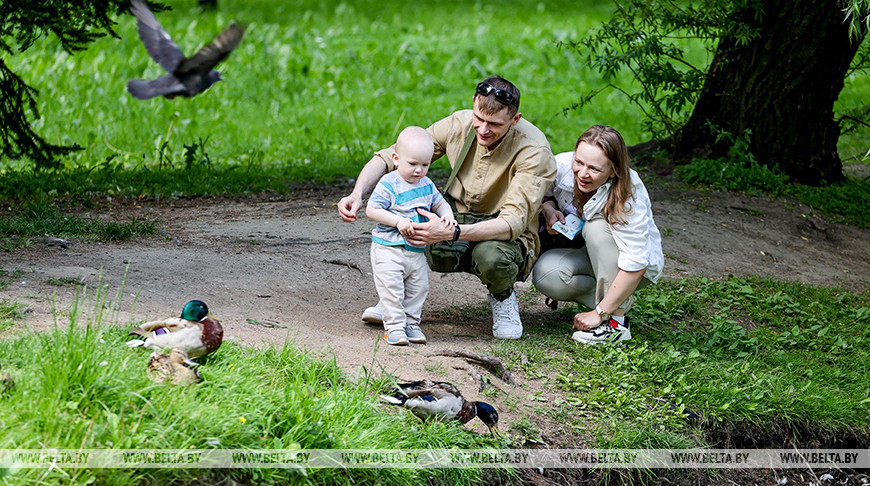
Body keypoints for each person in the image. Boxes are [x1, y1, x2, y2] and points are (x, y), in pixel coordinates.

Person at [338, 75, 556, 339]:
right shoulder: (459, 124)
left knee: (492, 259)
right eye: (479, 118)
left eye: (494, 124)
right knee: (408, 217)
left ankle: (503, 296)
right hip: (455, 213)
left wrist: (450, 233)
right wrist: (358, 193)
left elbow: (512, 223)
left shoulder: (534, 150)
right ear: (474, 104)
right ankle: (394, 300)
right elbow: (392, 155)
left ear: (515, 119)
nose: (483, 129)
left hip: (504, 231)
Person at [531, 125, 664, 344]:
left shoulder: (630, 193)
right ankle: (615, 300)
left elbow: (637, 261)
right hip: (588, 253)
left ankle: (615, 323)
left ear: (613, 171)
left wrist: (599, 313)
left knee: (595, 227)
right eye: (579, 162)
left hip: (631, 266)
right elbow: (545, 194)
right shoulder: (560, 166)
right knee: (547, 274)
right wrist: (548, 209)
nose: (582, 174)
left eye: (594, 169)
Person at [366, 127, 456, 346]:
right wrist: (398, 221)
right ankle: (394, 328)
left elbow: (439, 202)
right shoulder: (389, 183)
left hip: (415, 250)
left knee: (418, 287)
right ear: (396, 159)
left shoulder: (426, 184)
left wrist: (447, 216)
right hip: (389, 248)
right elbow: (372, 209)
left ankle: (411, 323)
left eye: (425, 165)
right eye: (412, 164)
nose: (418, 170)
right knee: (393, 289)